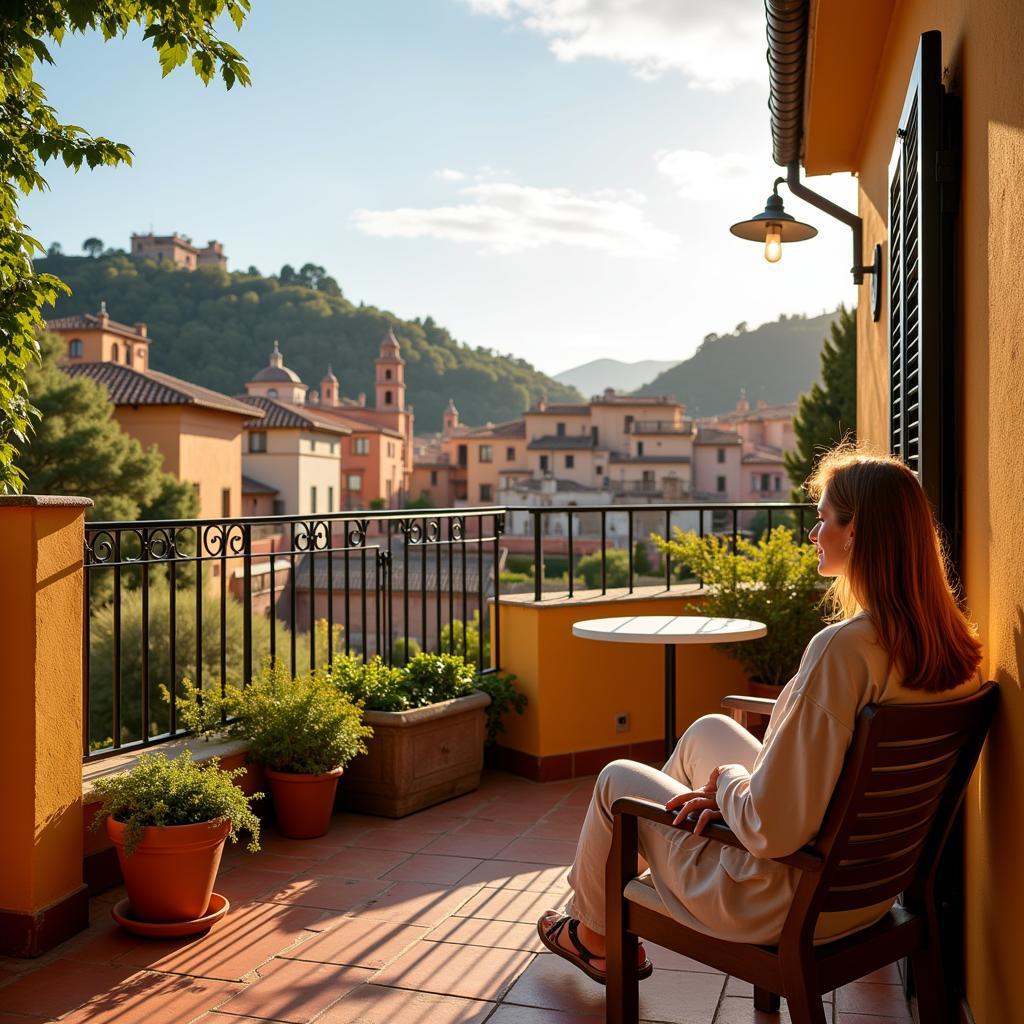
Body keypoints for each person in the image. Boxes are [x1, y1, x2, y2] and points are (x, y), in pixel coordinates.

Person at [537, 445, 983, 984]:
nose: (814, 535)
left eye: (822, 521)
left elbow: (773, 830)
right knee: (709, 730)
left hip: (784, 897)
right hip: (866, 889)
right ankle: (602, 905)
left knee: (615, 781)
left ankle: (595, 935)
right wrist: (733, 791)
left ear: (855, 532)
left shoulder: (845, 650)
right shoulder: (953, 646)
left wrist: (728, 784)